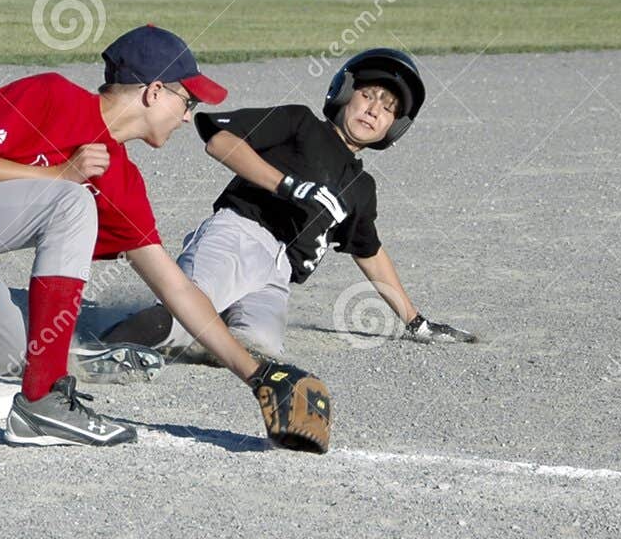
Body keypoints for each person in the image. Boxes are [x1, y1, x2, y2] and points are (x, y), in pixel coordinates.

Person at [0, 25, 328, 448]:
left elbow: (176, 288)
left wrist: (254, 372)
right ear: (154, 91)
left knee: (0, 353)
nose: (189, 114)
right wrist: (62, 175)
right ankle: (43, 403)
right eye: (187, 100)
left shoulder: (122, 179)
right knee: (72, 199)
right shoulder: (52, 95)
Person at [101, 48, 475, 362]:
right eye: (368, 94)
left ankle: (192, 331)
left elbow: (370, 252)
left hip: (278, 275)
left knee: (259, 348)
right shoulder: (301, 123)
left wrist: (414, 321)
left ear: (394, 127)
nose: (375, 110)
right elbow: (219, 139)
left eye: (389, 107)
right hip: (239, 236)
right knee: (182, 315)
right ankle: (94, 351)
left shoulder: (362, 188)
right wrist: (286, 184)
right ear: (344, 92)